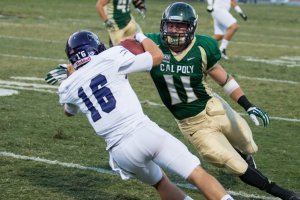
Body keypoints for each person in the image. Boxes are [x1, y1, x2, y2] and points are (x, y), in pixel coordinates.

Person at [45, 30, 235, 200]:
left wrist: (72, 76)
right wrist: (140, 36)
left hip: (121, 152)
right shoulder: (110, 57)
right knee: (196, 174)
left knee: (161, 184)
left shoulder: (66, 87)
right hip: (143, 132)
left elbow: (69, 112)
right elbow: (157, 56)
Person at [144, 2, 300, 200]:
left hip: (215, 107)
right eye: (171, 25)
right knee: (233, 163)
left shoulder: (202, 47)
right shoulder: (153, 44)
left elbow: (225, 80)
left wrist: (248, 105)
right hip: (193, 125)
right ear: (163, 26)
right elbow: (125, 46)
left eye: (181, 26)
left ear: (191, 28)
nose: (174, 31)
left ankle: (245, 154)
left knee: (248, 145)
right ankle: (284, 194)